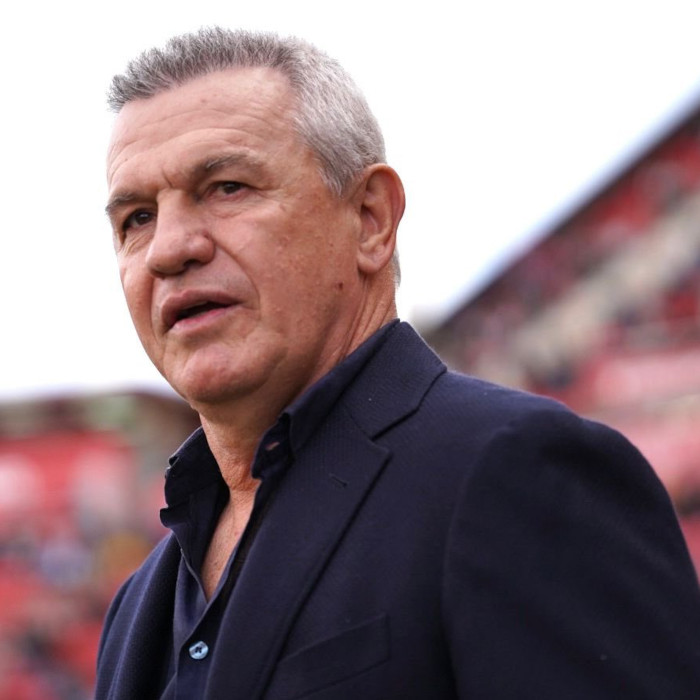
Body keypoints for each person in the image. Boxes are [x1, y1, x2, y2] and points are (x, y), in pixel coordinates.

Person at [96, 27, 700, 700]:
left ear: (371, 218)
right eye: (136, 218)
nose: (168, 249)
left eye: (227, 187)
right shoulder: (134, 609)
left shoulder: (521, 472)